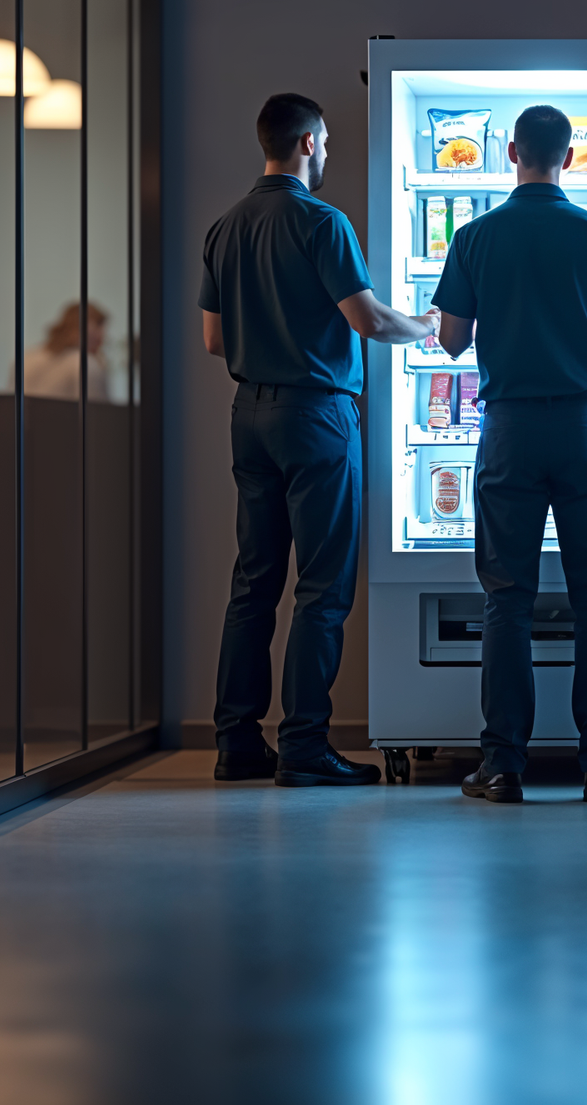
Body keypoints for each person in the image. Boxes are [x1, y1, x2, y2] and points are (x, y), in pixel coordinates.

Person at [200, 92, 437, 787]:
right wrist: (428, 326)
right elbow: (368, 321)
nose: (327, 152)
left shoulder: (223, 226)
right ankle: (304, 743)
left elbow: (214, 340)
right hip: (317, 415)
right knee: (323, 586)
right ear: (307, 143)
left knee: (254, 582)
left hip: (249, 413)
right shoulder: (322, 222)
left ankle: (236, 740)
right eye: (326, 142)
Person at [432, 104, 587, 805]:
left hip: (507, 431)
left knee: (507, 597)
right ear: (568, 156)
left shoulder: (474, 236)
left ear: (510, 151)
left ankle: (502, 763)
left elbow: (449, 341)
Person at [19, 301, 111, 400]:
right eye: (99, 326)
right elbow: (96, 411)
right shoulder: (86, 363)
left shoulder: (27, 358)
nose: (103, 337)